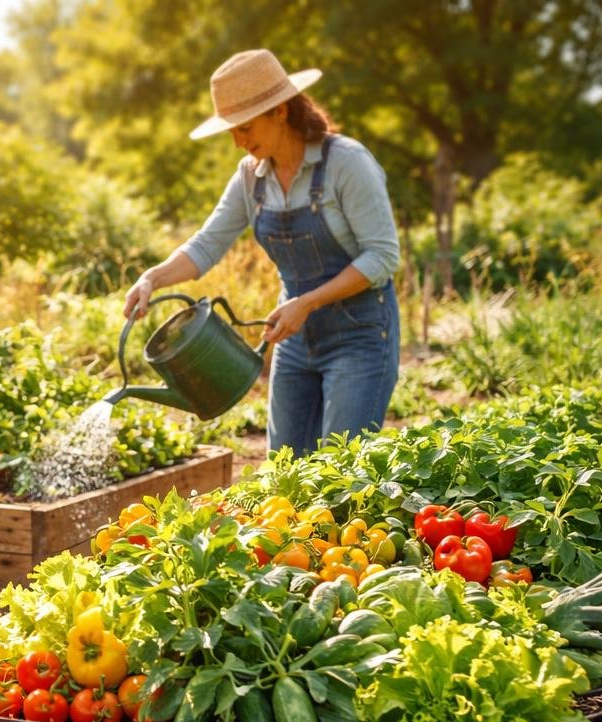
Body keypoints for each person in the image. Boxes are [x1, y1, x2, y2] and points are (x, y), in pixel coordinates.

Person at [123, 49, 401, 456]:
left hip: (359, 336)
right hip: (295, 337)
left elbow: (382, 257)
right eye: (231, 131)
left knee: (344, 472)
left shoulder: (346, 163)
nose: (238, 141)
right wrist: (152, 277)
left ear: (281, 111)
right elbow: (206, 245)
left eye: (245, 127)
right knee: (285, 471)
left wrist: (307, 302)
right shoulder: (250, 178)